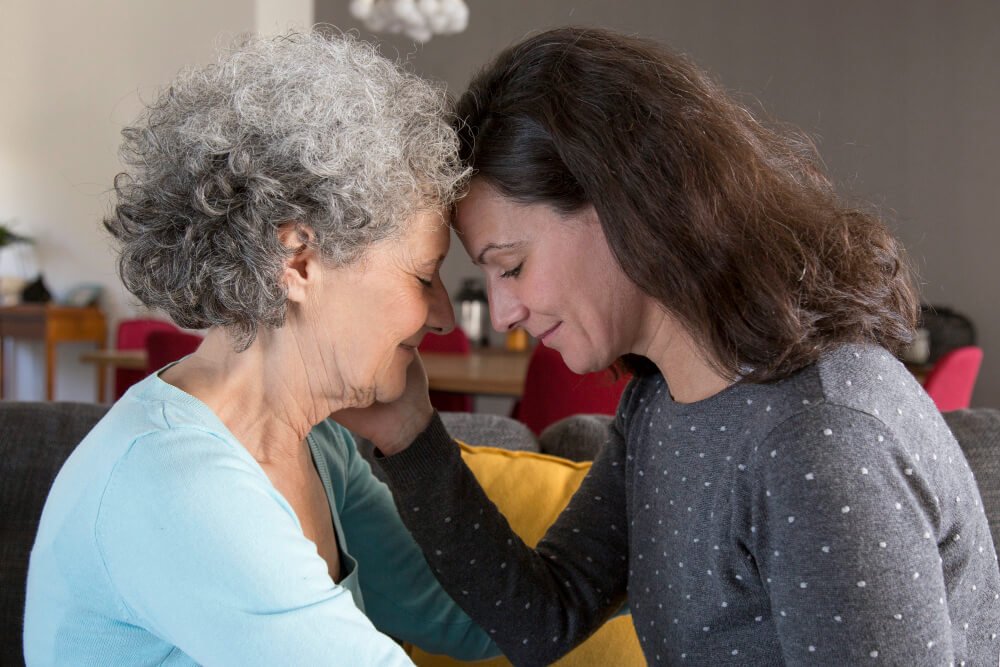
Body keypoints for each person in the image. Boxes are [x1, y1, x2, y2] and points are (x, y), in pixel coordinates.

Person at [346, 27, 1000, 665]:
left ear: (628, 205)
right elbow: (544, 617)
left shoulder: (818, 433)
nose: (506, 309)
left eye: (511, 264)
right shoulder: (664, 401)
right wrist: (410, 435)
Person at [23, 32, 499, 666]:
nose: (442, 316)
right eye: (422, 276)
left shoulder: (319, 447)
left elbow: (473, 622)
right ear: (298, 259)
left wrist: (412, 433)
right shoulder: (179, 484)